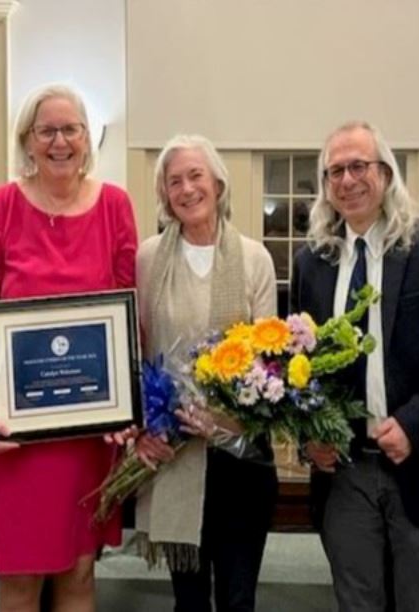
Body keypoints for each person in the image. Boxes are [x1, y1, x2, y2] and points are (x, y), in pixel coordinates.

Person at [0, 83, 138, 611]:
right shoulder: (3, 206)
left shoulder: (115, 205)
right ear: (27, 141)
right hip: (16, 435)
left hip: (87, 431)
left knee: (80, 573)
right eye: (47, 131)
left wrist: (126, 405)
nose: (60, 142)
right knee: (19, 581)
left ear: (87, 137)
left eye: (71, 129)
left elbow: (129, 316)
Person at [291, 121, 419, 612]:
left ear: (387, 173)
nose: (347, 180)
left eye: (359, 166)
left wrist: (414, 423)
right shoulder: (311, 261)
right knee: (357, 601)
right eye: (335, 171)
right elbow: (298, 366)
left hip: (418, 461)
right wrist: (310, 439)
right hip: (344, 469)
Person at [133, 134, 279, 612]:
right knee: (189, 601)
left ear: (218, 184)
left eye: (195, 176)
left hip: (241, 455)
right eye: (174, 181)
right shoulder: (148, 259)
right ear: (164, 194)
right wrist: (146, 425)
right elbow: (141, 350)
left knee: (238, 599)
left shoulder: (254, 258)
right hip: (176, 455)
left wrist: (221, 419)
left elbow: (269, 363)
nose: (186, 189)